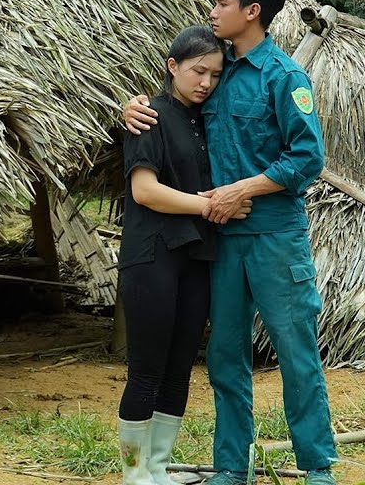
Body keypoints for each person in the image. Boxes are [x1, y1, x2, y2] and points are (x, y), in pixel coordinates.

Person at [123, 0, 337, 485]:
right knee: (225, 359)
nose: (213, 11)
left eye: (221, 3)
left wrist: (244, 188)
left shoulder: (286, 78)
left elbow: (307, 158)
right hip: (219, 242)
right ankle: (229, 468)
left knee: (295, 352)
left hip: (275, 237)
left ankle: (316, 466)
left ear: (251, 11)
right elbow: (172, 108)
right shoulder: (214, 76)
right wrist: (128, 108)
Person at [116, 24, 252, 485]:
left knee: (178, 370)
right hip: (152, 254)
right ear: (172, 66)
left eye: (214, 75)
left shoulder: (208, 119)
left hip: (197, 256)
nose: (205, 83)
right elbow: (146, 191)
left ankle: (157, 469)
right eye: (197, 71)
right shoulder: (149, 115)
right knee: (147, 369)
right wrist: (211, 204)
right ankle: (134, 475)